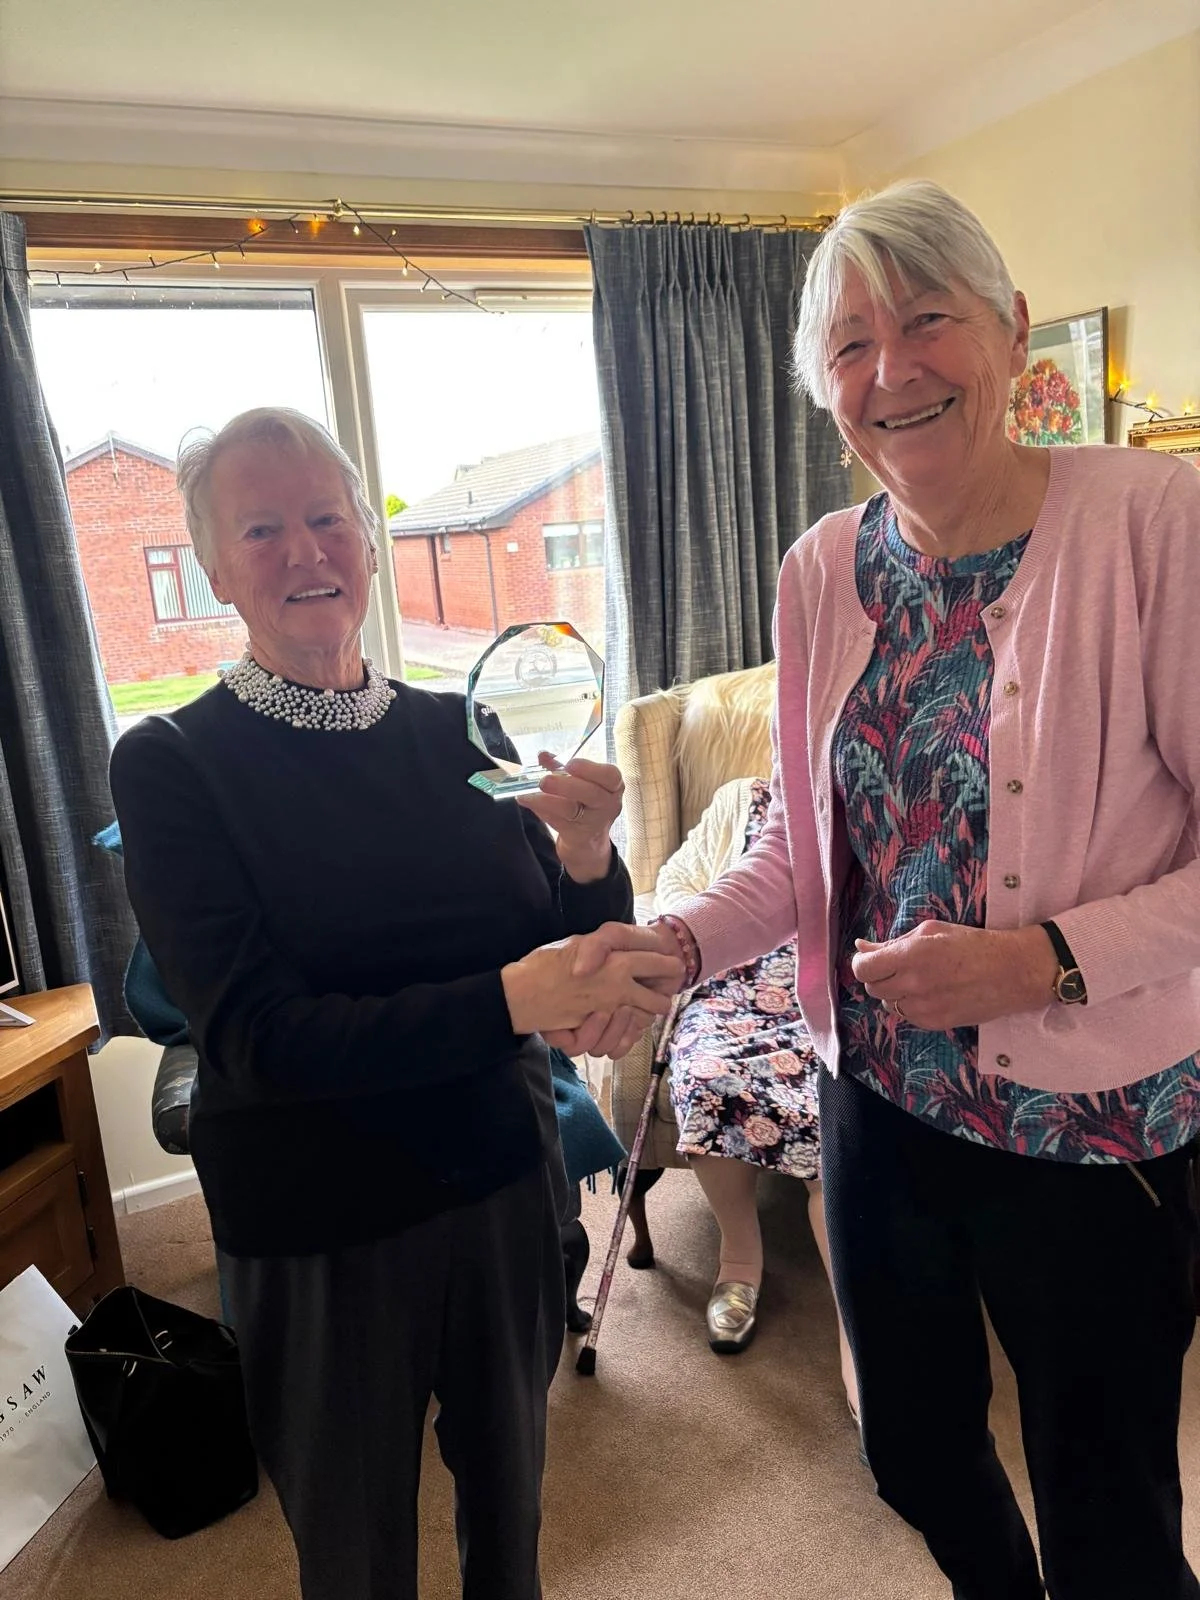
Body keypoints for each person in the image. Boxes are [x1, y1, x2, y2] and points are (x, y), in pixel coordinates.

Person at [593, 180, 1200, 1599]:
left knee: (1110, 1517)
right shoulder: (822, 566)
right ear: (823, 388)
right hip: (876, 1097)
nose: (893, 370)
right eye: (852, 345)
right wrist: (675, 942)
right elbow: (802, 853)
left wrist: (1043, 960)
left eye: (927, 320)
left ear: (1009, 330)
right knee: (910, 1451)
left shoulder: (1155, 522)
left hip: (1094, 1124)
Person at [108, 406, 681, 1600]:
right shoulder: (170, 764)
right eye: (261, 529)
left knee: (509, 1519)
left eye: (327, 517)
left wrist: (589, 861)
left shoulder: (461, 731)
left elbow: (552, 943)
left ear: (368, 539)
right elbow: (259, 1040)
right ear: (214, 566)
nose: (304, 551)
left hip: (501, 1185)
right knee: (356, 1552)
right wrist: (512, 997)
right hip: (321, 1223)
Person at [648, 777, 857, 1401]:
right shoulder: (739, 798)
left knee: (830, 1108)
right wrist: (708, 930)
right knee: (708, 1078)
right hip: (733, 982)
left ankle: (856, 1317)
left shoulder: (854, 791)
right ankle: (739, 1262)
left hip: (825, 985)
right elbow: (676, 880)